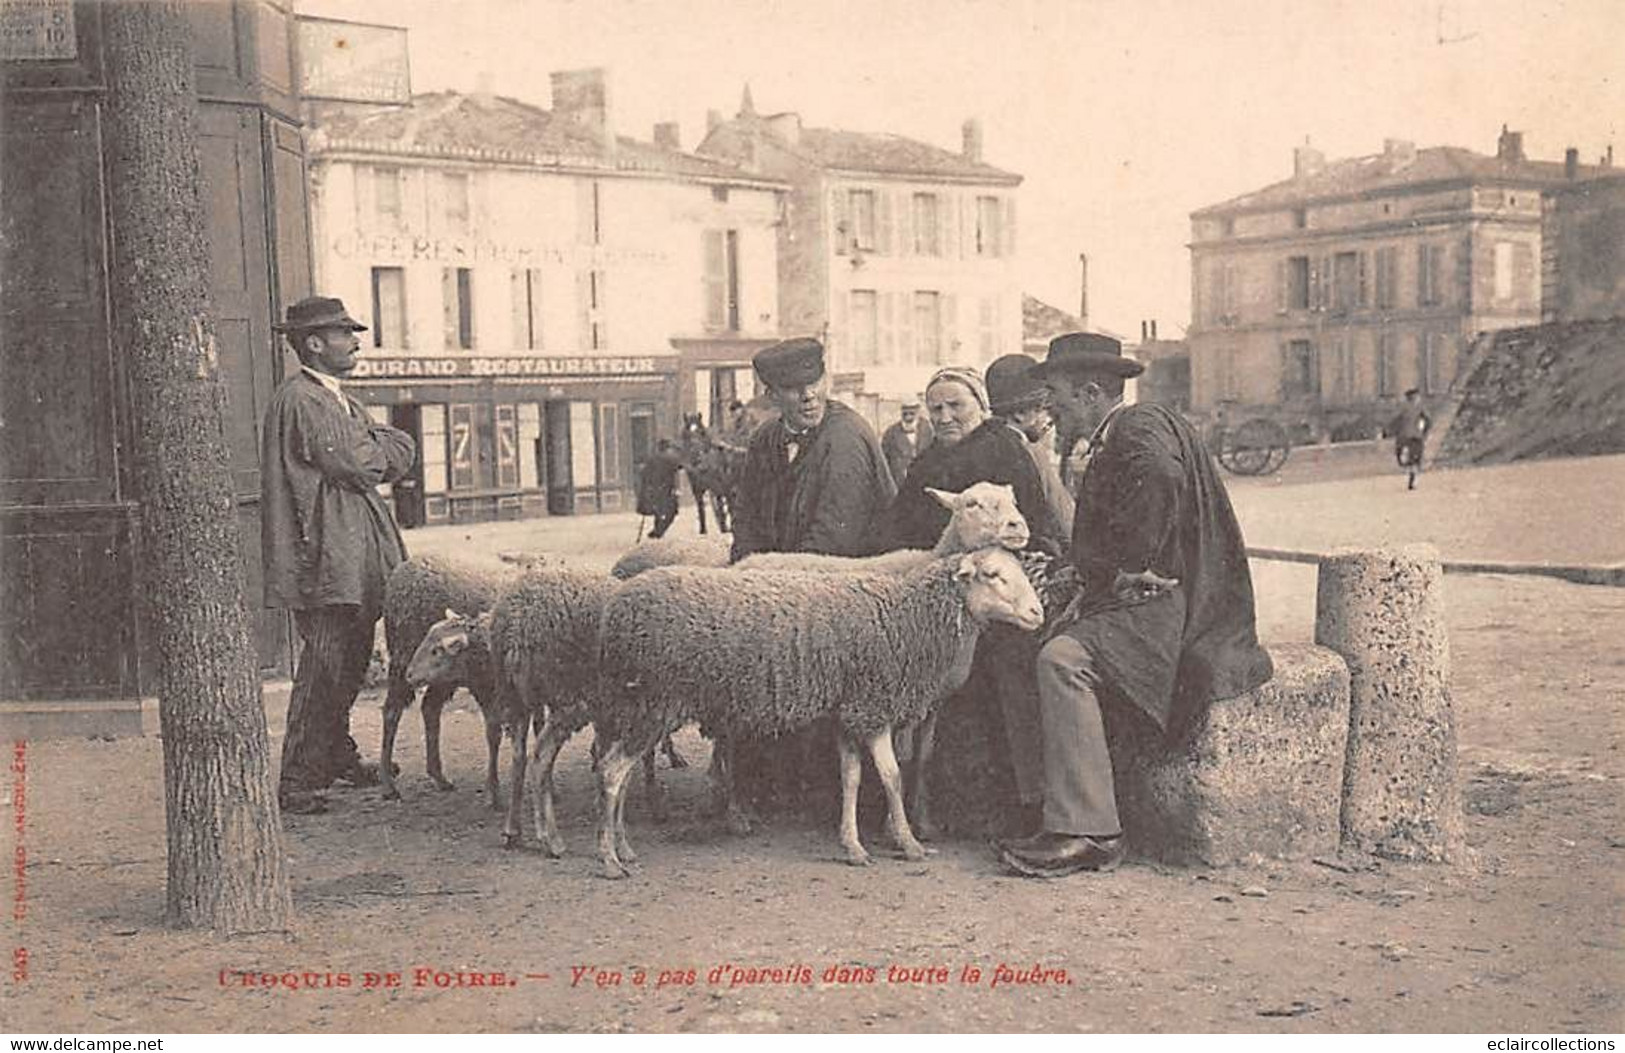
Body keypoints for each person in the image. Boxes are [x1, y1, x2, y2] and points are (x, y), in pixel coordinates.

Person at [997, 332, 1273, 877]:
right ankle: (1048, 807)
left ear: (1092, 393)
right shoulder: (1125, 429)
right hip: (1163, 596)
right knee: (1033, 639)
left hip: (1174, 608)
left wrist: (1132, 563)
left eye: (1056, 395)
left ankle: (1091, 830)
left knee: (1063, 660)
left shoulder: (1137, 431)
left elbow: (1163, 479)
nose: (1051, 409)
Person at [261, 296, 417, 816]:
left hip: (349, 556)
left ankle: (335, 754)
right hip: (327, 558)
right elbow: (361, 464)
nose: (354, 341)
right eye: (344, 333)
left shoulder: (336, 399)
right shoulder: (306, 400)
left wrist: (378, 442)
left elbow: (391, 449)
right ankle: (299, 779)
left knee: (348, 663)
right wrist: (378, 442)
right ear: (313, 343)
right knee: (326, 665)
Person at [729, 337, 895, 561]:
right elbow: (745, 518)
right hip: (782, 576)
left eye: (814, 383)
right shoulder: (764, 439)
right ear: (772, 396)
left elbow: (834, 536)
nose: (809, 396)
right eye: (793, 389)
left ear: (825, 380)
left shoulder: (845, 437)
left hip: (848, 577)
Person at [883, 365, 1064, 555]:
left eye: (955, 406)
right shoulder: (923, 464)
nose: (945, 418)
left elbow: (1033, 524)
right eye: (936, 409)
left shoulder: (1004, 450)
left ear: (980, 406)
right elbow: (897, 528)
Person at [985, 353, 1075, 540]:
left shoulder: (985, 444)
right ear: (1019, 413)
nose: (1049, 420)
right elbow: (1064, 518)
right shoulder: (1030, 450)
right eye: (1044, 409)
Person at [881, 401, 934, 489]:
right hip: (900, 484)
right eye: (905, 414)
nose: (908, 417)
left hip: (926, 483)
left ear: (918, 412)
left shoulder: (929, 430)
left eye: (911, 413)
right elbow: (884, 461)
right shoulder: (890, 433)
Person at [636, 438, 683, 539]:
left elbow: (644, 474)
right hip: (666, 490)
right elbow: (680, 466)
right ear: (667, 448)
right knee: (672, 512)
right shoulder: (670, 459)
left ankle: (657, 531)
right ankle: (659, 531)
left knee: (658, 512)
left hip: (654, 490)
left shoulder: (652, 459)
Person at [1391, 388, 1431, 491]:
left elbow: (1394, 420)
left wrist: (1395, 431)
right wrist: (1425, 432)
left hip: (1404, 436)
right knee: (1416, 459)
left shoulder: (1402, 407)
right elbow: (1428, 420)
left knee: (1404, 456)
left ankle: (1409, 471)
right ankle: (1412, 478)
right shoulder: (1420, 407)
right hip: (1416, 436)